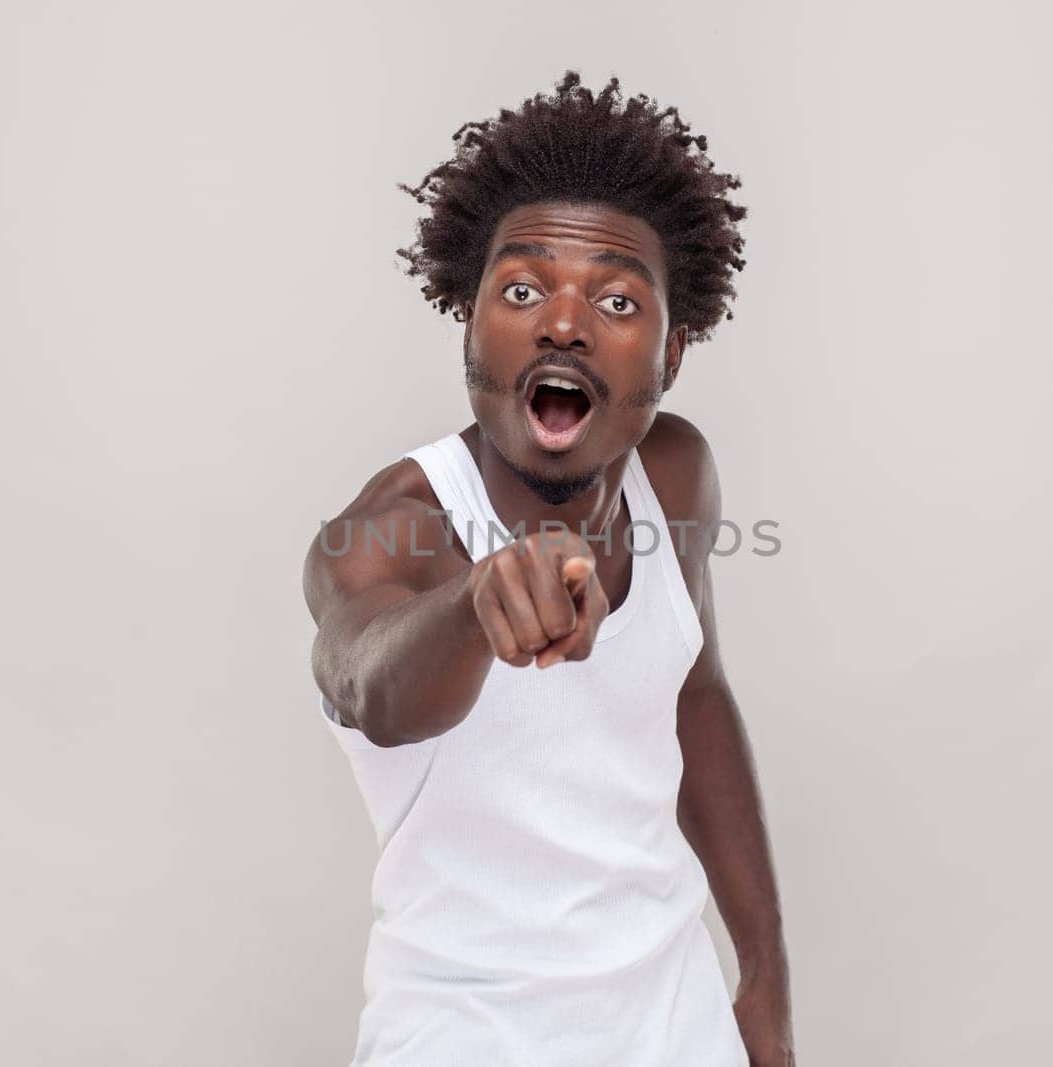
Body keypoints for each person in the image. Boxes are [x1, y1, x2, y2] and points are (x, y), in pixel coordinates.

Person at [303, 70, 793, 1066]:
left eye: (615, 299)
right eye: (522, 289)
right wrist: (475, 605)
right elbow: (366, 681)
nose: (563, 323)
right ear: (470, 319)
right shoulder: (391, 527)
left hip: (676, 1021)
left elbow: (692, 690)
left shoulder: (675, 474)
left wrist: (764, 984)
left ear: (672, 352)